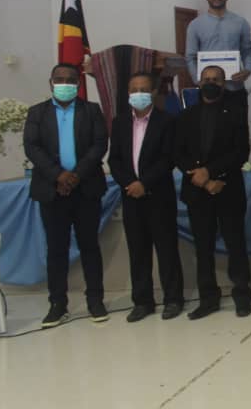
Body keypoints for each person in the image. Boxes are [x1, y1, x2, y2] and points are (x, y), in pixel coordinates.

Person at [23, 63, 110, 328]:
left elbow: (99, 145)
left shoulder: (91, 110)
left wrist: (75, 176)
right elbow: (32, 147)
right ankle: (57, 304)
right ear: (51, 83)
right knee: (56, 249)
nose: (64, 84)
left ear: (78, 83)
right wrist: (58, 175)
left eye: (70, 80)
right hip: (52, 190)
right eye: (59, 79)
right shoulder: (37, 112)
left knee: (90, 247)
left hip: (86, 188)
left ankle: (95, 301)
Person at [175, 65, 251, 319]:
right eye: (206, 79)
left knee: (236, 244)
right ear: (199, 83)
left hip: (227, 188)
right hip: (198, 190)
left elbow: (240, 152)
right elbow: (178, 153)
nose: (211, 83)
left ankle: (242, 295)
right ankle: (208, 298)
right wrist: (202, 178)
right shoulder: (186, 116)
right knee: (203, 247)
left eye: (216, 79)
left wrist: (211, 173)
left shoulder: (236, 113)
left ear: (223, 83)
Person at [108, 72, 184, 322]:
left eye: (143, 89)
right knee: (137, 251)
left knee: (167, 250)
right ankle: (142, 302)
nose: (138, 94)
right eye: (134, 90)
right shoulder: (120, 122)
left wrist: (145, 183)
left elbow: (169, 157)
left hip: (159, 195)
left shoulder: (167, 121)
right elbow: (114, 160)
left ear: (152, 93)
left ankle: (173, 299)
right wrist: (130, 184)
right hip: (131, 196)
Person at [184, 0, 251, 110]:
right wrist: (198, 81)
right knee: (208, 123)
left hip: (234, 88)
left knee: (237, 123)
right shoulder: (195, 25)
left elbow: (247, 51)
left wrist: (247, 70)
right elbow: (190, 57)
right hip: (208, 90)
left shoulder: (241, 23)